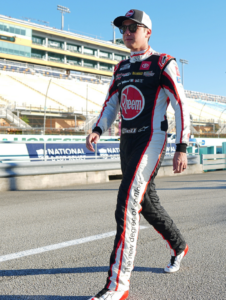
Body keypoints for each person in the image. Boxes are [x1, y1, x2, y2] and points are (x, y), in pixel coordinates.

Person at [86, 9, 190, 300]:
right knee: (147, 203)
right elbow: (111, 104)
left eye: (134, 27)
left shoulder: (163, 63)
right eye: (124, 29)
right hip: (127, 142)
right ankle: (179, 245)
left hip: (152, 140)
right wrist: (98, 129)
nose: (128, 32)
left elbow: (181, 106)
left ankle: (118, 285)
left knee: (126, 203)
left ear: (148, 32)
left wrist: (181, 146)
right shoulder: (120, 68)